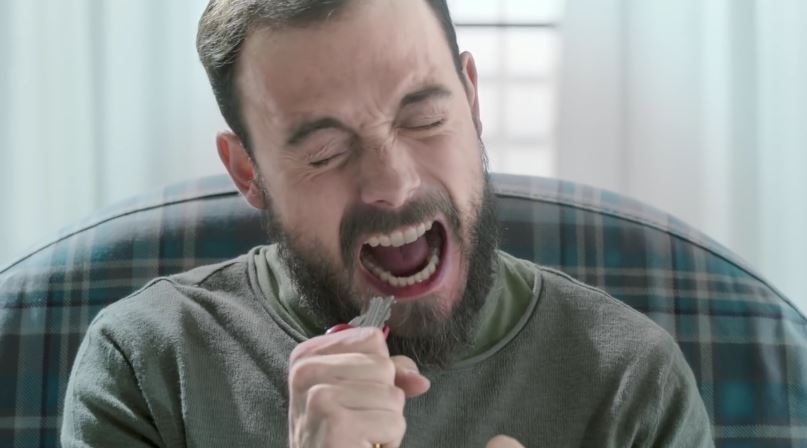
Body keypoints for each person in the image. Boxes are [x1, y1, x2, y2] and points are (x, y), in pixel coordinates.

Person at [61, 0, 714, 446]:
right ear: (248, 172)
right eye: (325, 153)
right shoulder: (145, 366)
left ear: (472, 101)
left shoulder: (632, 381)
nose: (394, 184)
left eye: (424, 118)